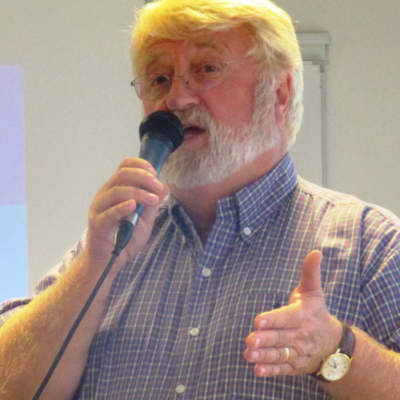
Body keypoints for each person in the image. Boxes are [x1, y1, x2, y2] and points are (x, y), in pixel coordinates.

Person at [1, 0, 400, 398]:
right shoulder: (109, 245)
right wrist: (92, 269)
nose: (176, 99)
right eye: (159, 78)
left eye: (207, 69)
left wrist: (337, 352)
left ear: (279, 94)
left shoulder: (371, 246)